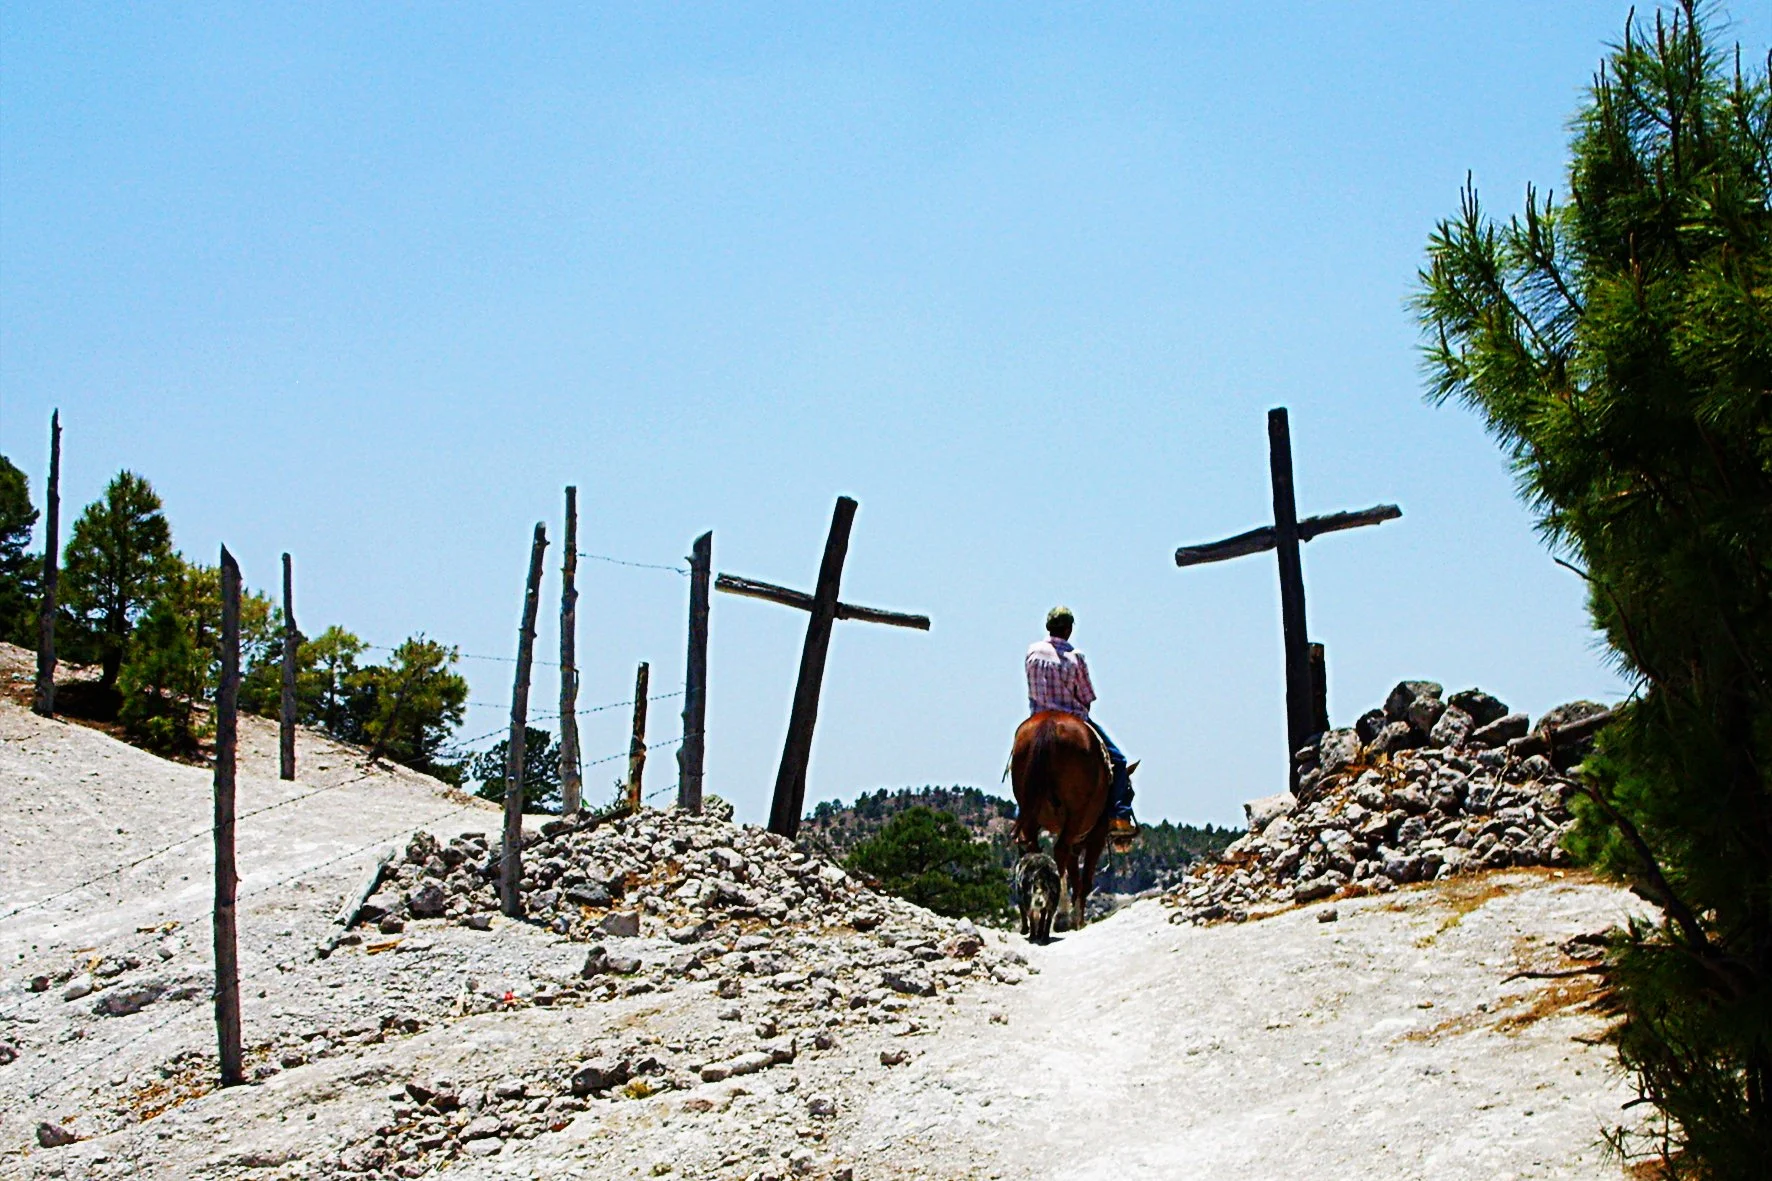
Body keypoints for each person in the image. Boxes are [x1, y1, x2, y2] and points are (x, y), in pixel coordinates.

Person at [1024, 606, 1136, 838]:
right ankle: (1118, 816)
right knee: (1119, 761)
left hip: (1036, 719)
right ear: (1068, 629)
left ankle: (1022, 813)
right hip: (1073, 718)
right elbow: (1086, 696)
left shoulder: (1032, 652)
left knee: (1026, 765)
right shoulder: (1076, 657)